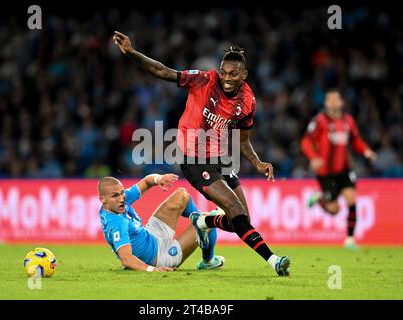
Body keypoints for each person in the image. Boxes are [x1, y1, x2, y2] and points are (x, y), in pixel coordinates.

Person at [113, 31, 290, 276]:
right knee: (235, 211)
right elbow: (164, 71)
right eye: (224, 72)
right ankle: (274, 260)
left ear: (244, 75)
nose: (227, 78)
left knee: (241, 220)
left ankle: (203, 222)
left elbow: (243, 139)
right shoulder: (204, 80)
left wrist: (257, 163)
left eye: (233, 74)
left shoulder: (247, 101)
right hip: (194, 161)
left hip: (223, 159)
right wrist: (132, 53)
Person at [98, 173, 225, 271]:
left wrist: (158, 179)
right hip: (159, 257)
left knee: (182, 195)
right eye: (115, 196)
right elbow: (126, 259)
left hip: (152, 234)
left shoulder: (118, 201)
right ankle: (208, 261)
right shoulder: (116, 223)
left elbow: (147, 181)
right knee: (208, 220)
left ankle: (197, 221)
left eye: (121, 193)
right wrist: (152, 269)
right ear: (102, 199)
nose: (121, 199)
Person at [301, 88, 377, 249]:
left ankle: (349, 239)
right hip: (326, 173)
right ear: (326, 103)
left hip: (344, 170)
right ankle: (320, 198)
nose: (334, 102)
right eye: (330, 100)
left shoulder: (348, 121)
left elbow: (356, 140)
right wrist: (313, 157)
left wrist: (366, 151)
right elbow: (306, 141)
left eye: (336, 99)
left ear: (341, 102)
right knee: (334, 209)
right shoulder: (319, 121)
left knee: (352, 199)